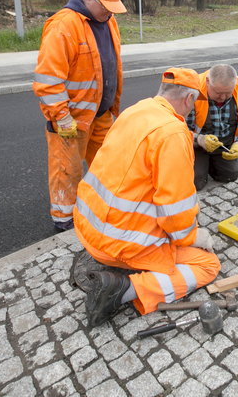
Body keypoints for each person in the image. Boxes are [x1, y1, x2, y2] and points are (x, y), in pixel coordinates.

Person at [72, 68, 221, 327]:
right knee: (208, 264)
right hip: (118, 243)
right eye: (194, 103)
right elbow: (175, 210)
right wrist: (195, 237)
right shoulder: (172, 132)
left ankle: (113, 267)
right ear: (188, 99)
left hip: (89, 229)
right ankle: (121, 289)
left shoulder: (135, 111)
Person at [33, 0, 126, 231]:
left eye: (112, 8)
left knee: (109, 167)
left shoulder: (109, 21)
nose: (109, 13)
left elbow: (109, 65)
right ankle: (65, 224)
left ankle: (100, 212)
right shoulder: (63, 25)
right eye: (105, 7)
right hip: (71, 120)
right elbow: (48, 80)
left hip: (102, 114)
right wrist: (61, 117)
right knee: (68, 173)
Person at [186, 64, 238, 191]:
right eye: (218, 93)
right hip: (198, 145)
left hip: (225, 143)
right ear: (208, 81)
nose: (222, 97)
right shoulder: (192, 92)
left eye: (228, 93)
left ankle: (210, 164)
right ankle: (199, 163)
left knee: (229, 176)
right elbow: (180, 129)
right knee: (196, 181)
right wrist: (200, 140)